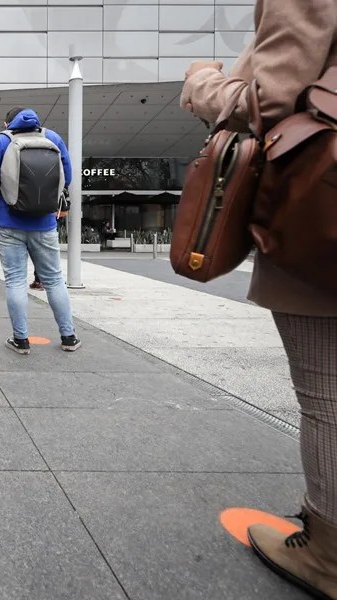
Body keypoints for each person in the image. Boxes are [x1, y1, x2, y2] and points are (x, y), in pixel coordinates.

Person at [181, 2, 337, 596]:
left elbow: (270, 97)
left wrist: (202, 84)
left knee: (327, 390)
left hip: (320, 206)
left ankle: (328, 550)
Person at [0, 107, 81, 355]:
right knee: (54, 280)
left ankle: (21, 340)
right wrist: (46, 201)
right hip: (44, 222)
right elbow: (66, 177)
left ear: (6, 123)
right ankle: (68, 337)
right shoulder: (52, 138)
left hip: (8, 221)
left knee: (15, 281)